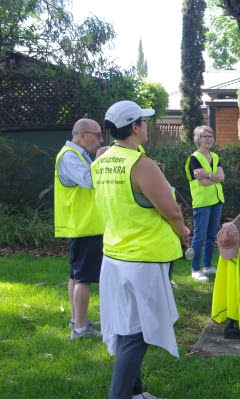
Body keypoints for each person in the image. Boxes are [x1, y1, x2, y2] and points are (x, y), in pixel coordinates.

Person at [91, 100, 190, 399]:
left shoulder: (103, 160)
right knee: (137, 335)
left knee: (126, 326)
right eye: (144, 122)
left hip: (115, 254)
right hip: (143, 258)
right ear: (135, 127)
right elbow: (171, 210)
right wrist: (183, 234)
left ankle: (135, 392)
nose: (147, 125)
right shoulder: (140, 164)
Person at [54, 118, 104, 340]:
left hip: (82, 225)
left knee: (76, 276)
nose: (100, 140)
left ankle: (76, 320)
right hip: (84, 226)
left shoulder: (75, 154)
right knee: (83, 278)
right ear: (82, 134)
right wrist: (101, 160)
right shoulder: (69, 156)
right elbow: (88, 180)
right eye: (97, 135)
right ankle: (81, 328)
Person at [185, 126, 225, 281]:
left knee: (211, 236)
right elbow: (202, 182)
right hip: (202, 203)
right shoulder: (194, 158)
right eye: (205, 136)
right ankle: (195, 269)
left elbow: (222, 178)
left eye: (211, 136)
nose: (208, 139)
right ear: (198, 140)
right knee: (199, 237)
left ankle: (207, 266)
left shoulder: (215, 156)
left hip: (217, 201)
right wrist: (214, 177)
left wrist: (208, 174)